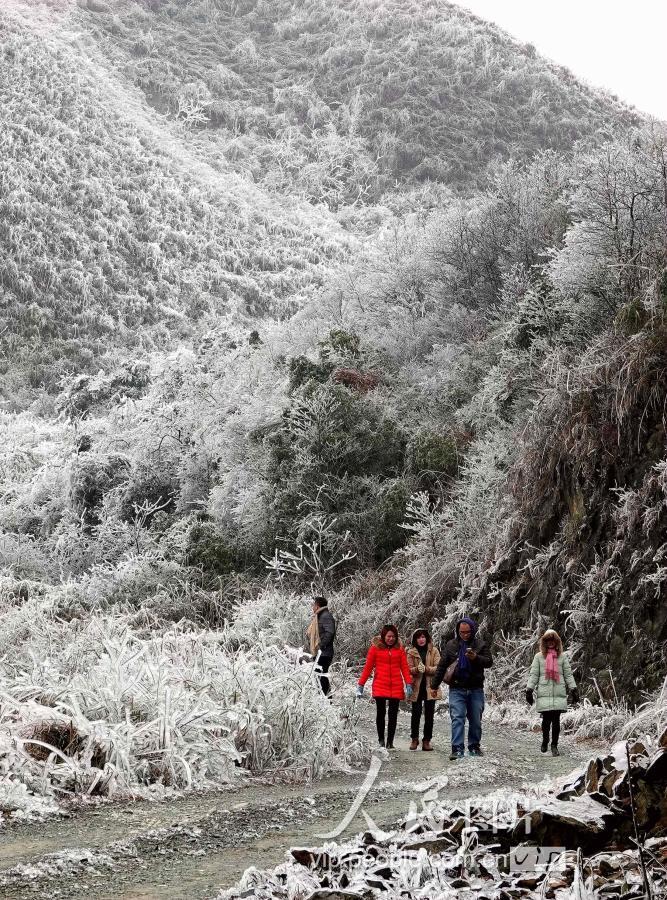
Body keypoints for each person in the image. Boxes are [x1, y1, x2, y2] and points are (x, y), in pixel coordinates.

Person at [431, 617, 493, 760]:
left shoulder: (481, 645)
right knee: (457, 718)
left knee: (476, 720)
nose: (464, 635)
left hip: (475, 688)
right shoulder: (451, 645)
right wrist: (434, 685)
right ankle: (457, 748)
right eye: (461, 632)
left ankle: (474, 747)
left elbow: (489, 662)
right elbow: (441, 667)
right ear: (458, 631)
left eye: (467, 632)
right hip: (457, 688)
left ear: (472, 631)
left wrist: (475, 658)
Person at [356, 624, 413, 749]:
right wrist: (361, 684)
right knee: (381, 713)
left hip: (396, 685)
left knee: (393, 714)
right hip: (380, 685)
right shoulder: (375, 649)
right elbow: (368, 668)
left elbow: (404, 667)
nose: (391, 639)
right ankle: (381, 740)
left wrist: (408, 683)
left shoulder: (399, 649)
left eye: (393, 636)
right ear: (383, 636)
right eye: (388, 636)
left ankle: (390, 742)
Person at [526, 629, 579, 756]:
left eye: (553, 640)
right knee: (546, 721)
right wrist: (529, 689)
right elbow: (534, 674)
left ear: (557, 642)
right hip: (544, 692)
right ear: (544, 642)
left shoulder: (562, 657)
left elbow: (568, 674)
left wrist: (574, 689)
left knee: (556, 721)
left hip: (558, 692)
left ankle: (554, 745)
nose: (550, 643)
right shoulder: (538, 657)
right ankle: (545, 741)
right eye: (548, 640)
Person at [406, 628, 442, 751]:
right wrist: (417, 669)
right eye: (418, 637)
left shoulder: (434, 651)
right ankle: (414, 739)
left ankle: (427, 740)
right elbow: (408, 669)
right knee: (415, 714)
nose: (421, 640)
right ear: (415, 640)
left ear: (427, 638)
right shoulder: (411, 652)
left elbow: (439, 668)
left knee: (429, 715)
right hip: (416, 687)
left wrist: (426, 669)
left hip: (430, 687)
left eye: (423, 637)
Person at [306, 596, 336, 696]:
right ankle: (324, 699)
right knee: (319, 677)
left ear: (317, 605)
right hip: (322, 652)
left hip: (324, 653)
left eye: (313, 605)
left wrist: (320, 645)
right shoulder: (320, 615)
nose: (312, 607)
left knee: (321, 677)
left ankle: (327, 700)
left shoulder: (325, 616)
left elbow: (330, 632)